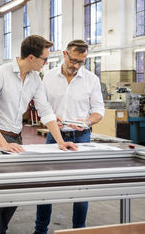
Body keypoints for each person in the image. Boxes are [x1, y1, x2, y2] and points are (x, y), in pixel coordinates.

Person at [0, 35, 78, 234]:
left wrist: (60, 141)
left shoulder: (34, 79)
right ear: (31, 57)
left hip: (16, 138)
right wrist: (2, 144)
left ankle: (0, 230)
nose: (47, 63)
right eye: (44, 59)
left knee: (16, 192)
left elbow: (45, 110)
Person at [34, 39, 105, 234]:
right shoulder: (48, 77)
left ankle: (78, 230)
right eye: (73, 60)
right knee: (46, 186)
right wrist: (48, 120)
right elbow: (41, 106)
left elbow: (99, 110)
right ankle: (40, 230)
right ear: (64, 55)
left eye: (80, 62)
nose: (75, 66)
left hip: (81, 137)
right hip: (54, 138)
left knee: (81, 187)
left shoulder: (91, 80)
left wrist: (86, 122)